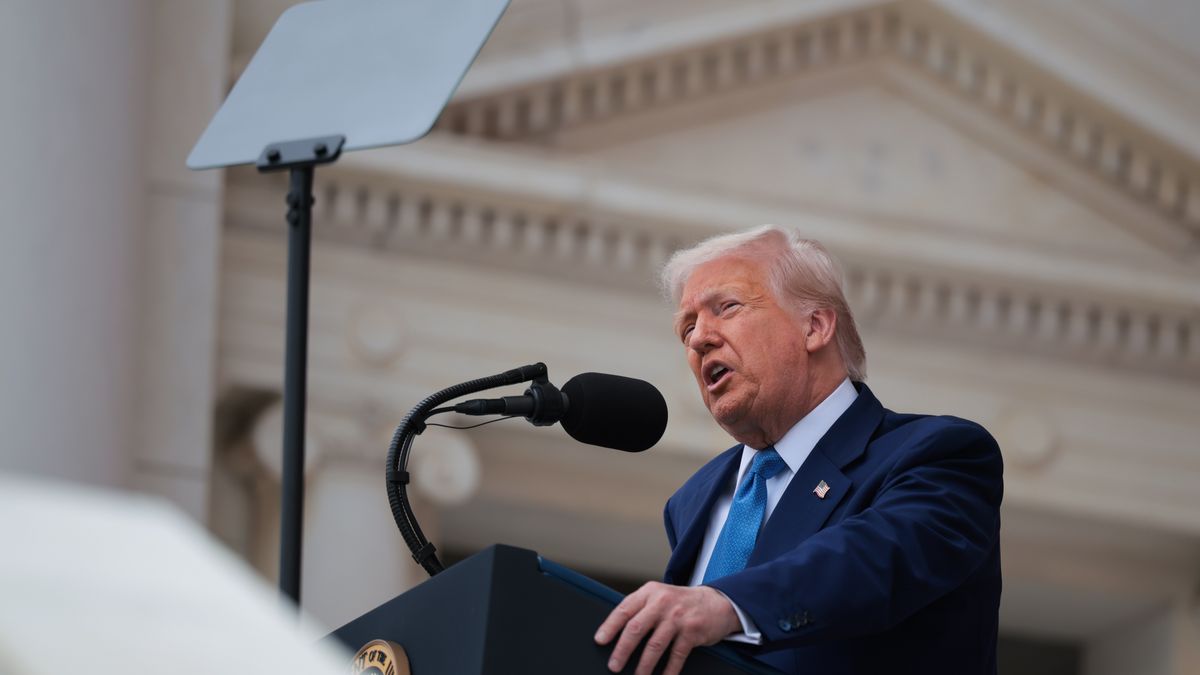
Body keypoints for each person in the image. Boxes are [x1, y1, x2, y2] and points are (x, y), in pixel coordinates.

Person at [593, 225, 1003, 675]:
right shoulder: (692, 500)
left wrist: (730, 604)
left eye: (726, 307)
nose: (698, 339)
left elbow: (871, 560)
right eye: (687, 327)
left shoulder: (941, 454)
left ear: (815, 326)